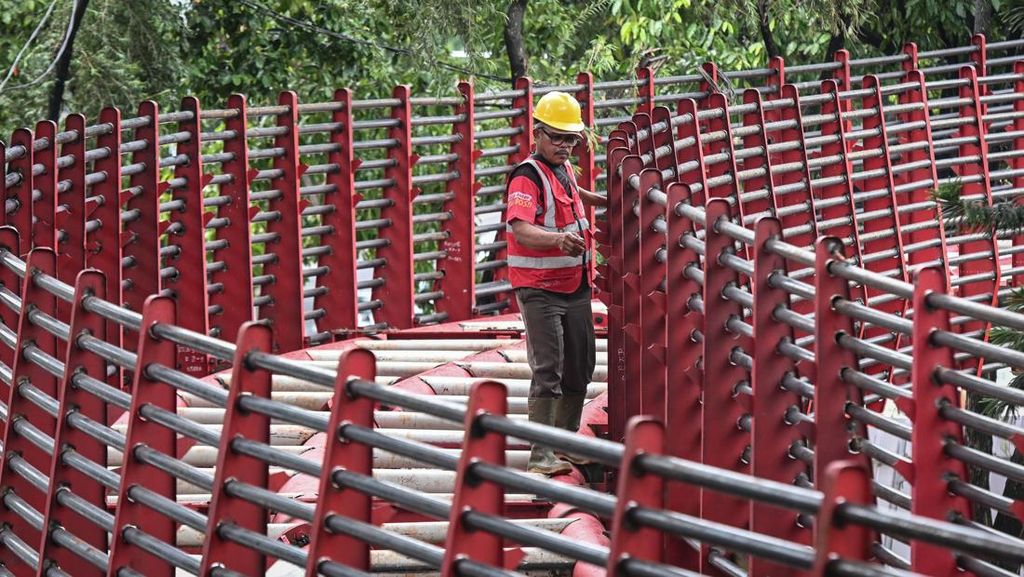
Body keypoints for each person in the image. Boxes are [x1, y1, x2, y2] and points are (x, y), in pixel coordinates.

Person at [504, 91, 607, 475]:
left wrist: (612, 201)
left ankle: (564, 443)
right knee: (549, 368)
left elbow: (575, 197)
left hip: (575, 284)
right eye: (557, 137)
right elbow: (521, 228)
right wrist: (558, 240)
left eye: (571, 139)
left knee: (580, 365)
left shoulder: (561, 171)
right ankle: (541, 456)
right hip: (540, 288)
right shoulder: (527, 177)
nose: (565, 145)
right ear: (538, 134)